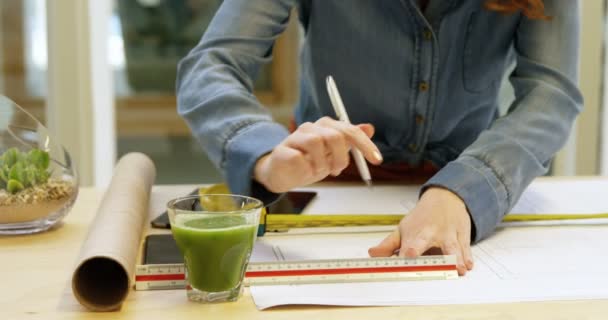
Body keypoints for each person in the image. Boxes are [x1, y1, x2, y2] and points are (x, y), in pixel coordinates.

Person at [176, 0, 582, 275]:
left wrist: (465, 189)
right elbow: (211, 66)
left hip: (469, 197)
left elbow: (552, 95)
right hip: (322, 187)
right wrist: (265, 157)